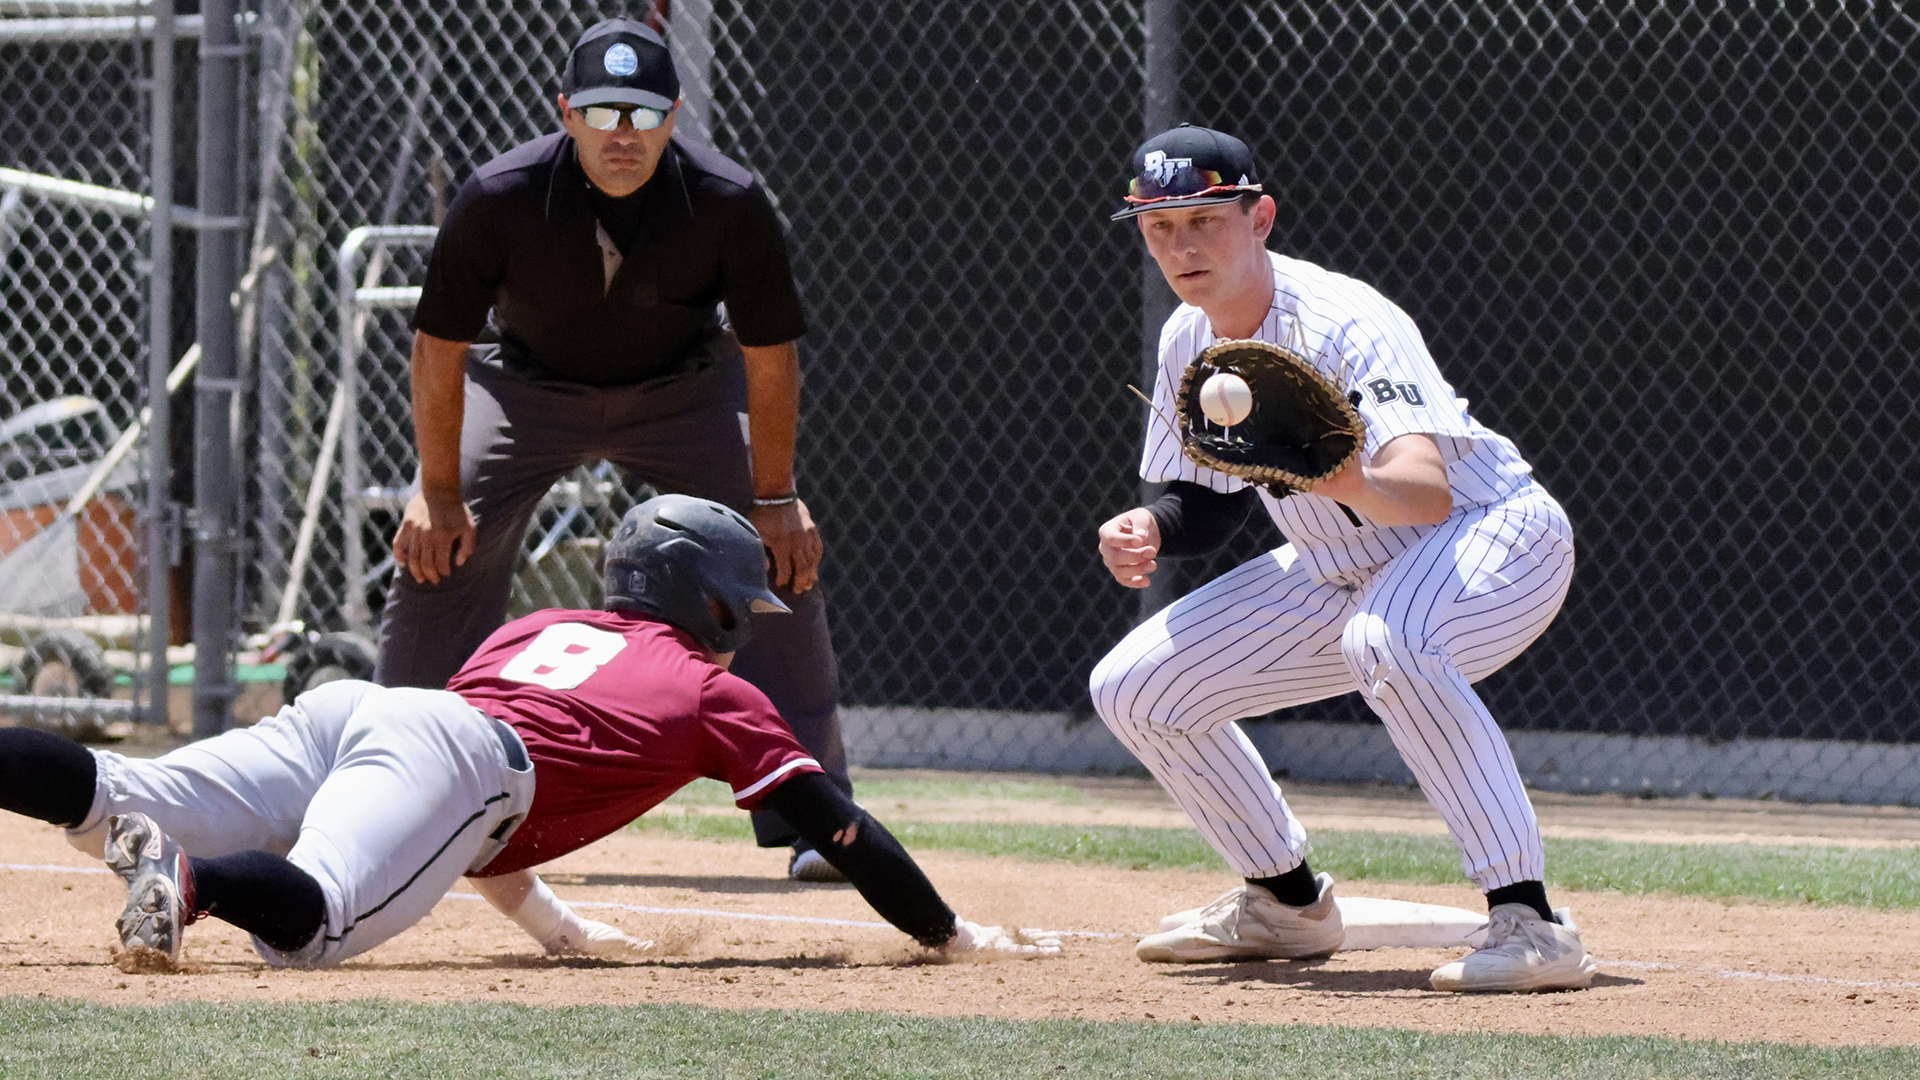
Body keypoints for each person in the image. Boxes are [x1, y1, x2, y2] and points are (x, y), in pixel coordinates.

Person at [0, 496, 1056, 968]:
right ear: (713, 605)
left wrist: (560, 932)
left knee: (114, 788)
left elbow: (469, 822)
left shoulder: (547, 624)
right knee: (313, 923)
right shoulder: (707, 688)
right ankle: (192, 884)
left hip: (361, 710)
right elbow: (837, 827)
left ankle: (166, 854)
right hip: (458, 754)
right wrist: (946, 934)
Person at [1088, 125, 1594, 993]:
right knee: (1135, 688)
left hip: (1493, 536)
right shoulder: (1186, 341)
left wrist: (1332, 468)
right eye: (1159, 225)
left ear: (1261, 218)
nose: (1181, 244)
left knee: (1388, 642)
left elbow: (1424, 490)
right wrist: (1153, 528)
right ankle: (1285, 901)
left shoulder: (1348, 320)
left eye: (1203, 218)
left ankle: (1531, 922)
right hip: (1342, 567)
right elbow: (1204, 502)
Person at [377, 17, 848, 881]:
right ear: (565, 113)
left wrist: (775, 499)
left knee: (775, 557)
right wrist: (436, 488)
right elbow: (439, 346)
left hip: (684, 394)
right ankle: (385, 797)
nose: (620, 133)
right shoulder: (497, 193)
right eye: (600, 110)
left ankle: (816, 820)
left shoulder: (729, 200)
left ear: (672, 116)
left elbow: (770, 353)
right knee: (438, 547)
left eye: (639, 113)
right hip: (523, 390)